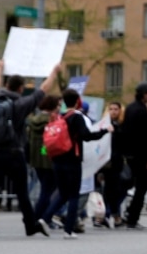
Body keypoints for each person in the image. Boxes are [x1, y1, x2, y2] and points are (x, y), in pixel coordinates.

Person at [0, 60, 61, 238]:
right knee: (22, 192)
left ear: (7, 85)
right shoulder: (21, 104)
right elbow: (43, 90)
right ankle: (29, 225)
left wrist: (0, 68)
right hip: (14, 152)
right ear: (21, 88)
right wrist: (54, 71)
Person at [46, 89, 109, 239]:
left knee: (62, 194)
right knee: (74, 195)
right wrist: (104, 131)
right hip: (72, 161)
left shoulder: (59, 118)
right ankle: (68, 230)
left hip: (57, 160)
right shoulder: (77, 117)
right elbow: (87, 136)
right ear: (76, 101)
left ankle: (44, 218)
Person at [119, 82, 147, 230]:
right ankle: (132, 216)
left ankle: (128, 213)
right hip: (141, 155)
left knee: (133, 183)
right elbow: (146, 136)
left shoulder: (130, 108)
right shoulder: (141, 111)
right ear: (144, 94)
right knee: (143, 185)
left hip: (130, 154)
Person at [27, 95, 60, 229]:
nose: (59, 108)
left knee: (45, 190)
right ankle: (39, 218)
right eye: (58, 105)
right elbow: (51, 142)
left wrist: (41, 153)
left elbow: (34, 143)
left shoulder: (33, 121)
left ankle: (39, 217)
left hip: (36, 160)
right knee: (47, 191)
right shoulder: (51, 121)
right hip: (49, 160)